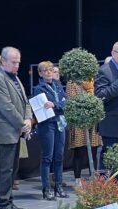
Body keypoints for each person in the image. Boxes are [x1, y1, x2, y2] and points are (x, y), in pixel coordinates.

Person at [0, 47, 31, 209]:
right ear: (3, 61)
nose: (17, 65)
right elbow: (6, 107)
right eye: (13, 62)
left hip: (15, 130)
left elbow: (25, 101)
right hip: (3, 132)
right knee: (5, 169)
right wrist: (23, 124)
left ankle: (10, 201)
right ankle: (3, 204)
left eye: (18, 62)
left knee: (13, 168)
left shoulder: (15, 77)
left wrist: (28, 120)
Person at [33, 61, 68, 200]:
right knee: (47, 157)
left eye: (51, 70)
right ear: (40, 73)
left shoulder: (58, 85)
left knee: (59, 157)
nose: (49, 72)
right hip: (47, 124)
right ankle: (46, 188)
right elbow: (43, 107)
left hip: (60, 123)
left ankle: (58, 186)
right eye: (45, 70)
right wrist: (57, 105)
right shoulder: (39, 88)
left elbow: (67, 101)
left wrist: (55, 104)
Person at [66, 78, 102, 186]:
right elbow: (73, 101)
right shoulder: (72, 82)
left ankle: (94, 178)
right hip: (79, 121)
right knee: (79, 151)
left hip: (93, 120)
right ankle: (77, 180)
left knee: (94, 150)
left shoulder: (93, 81)